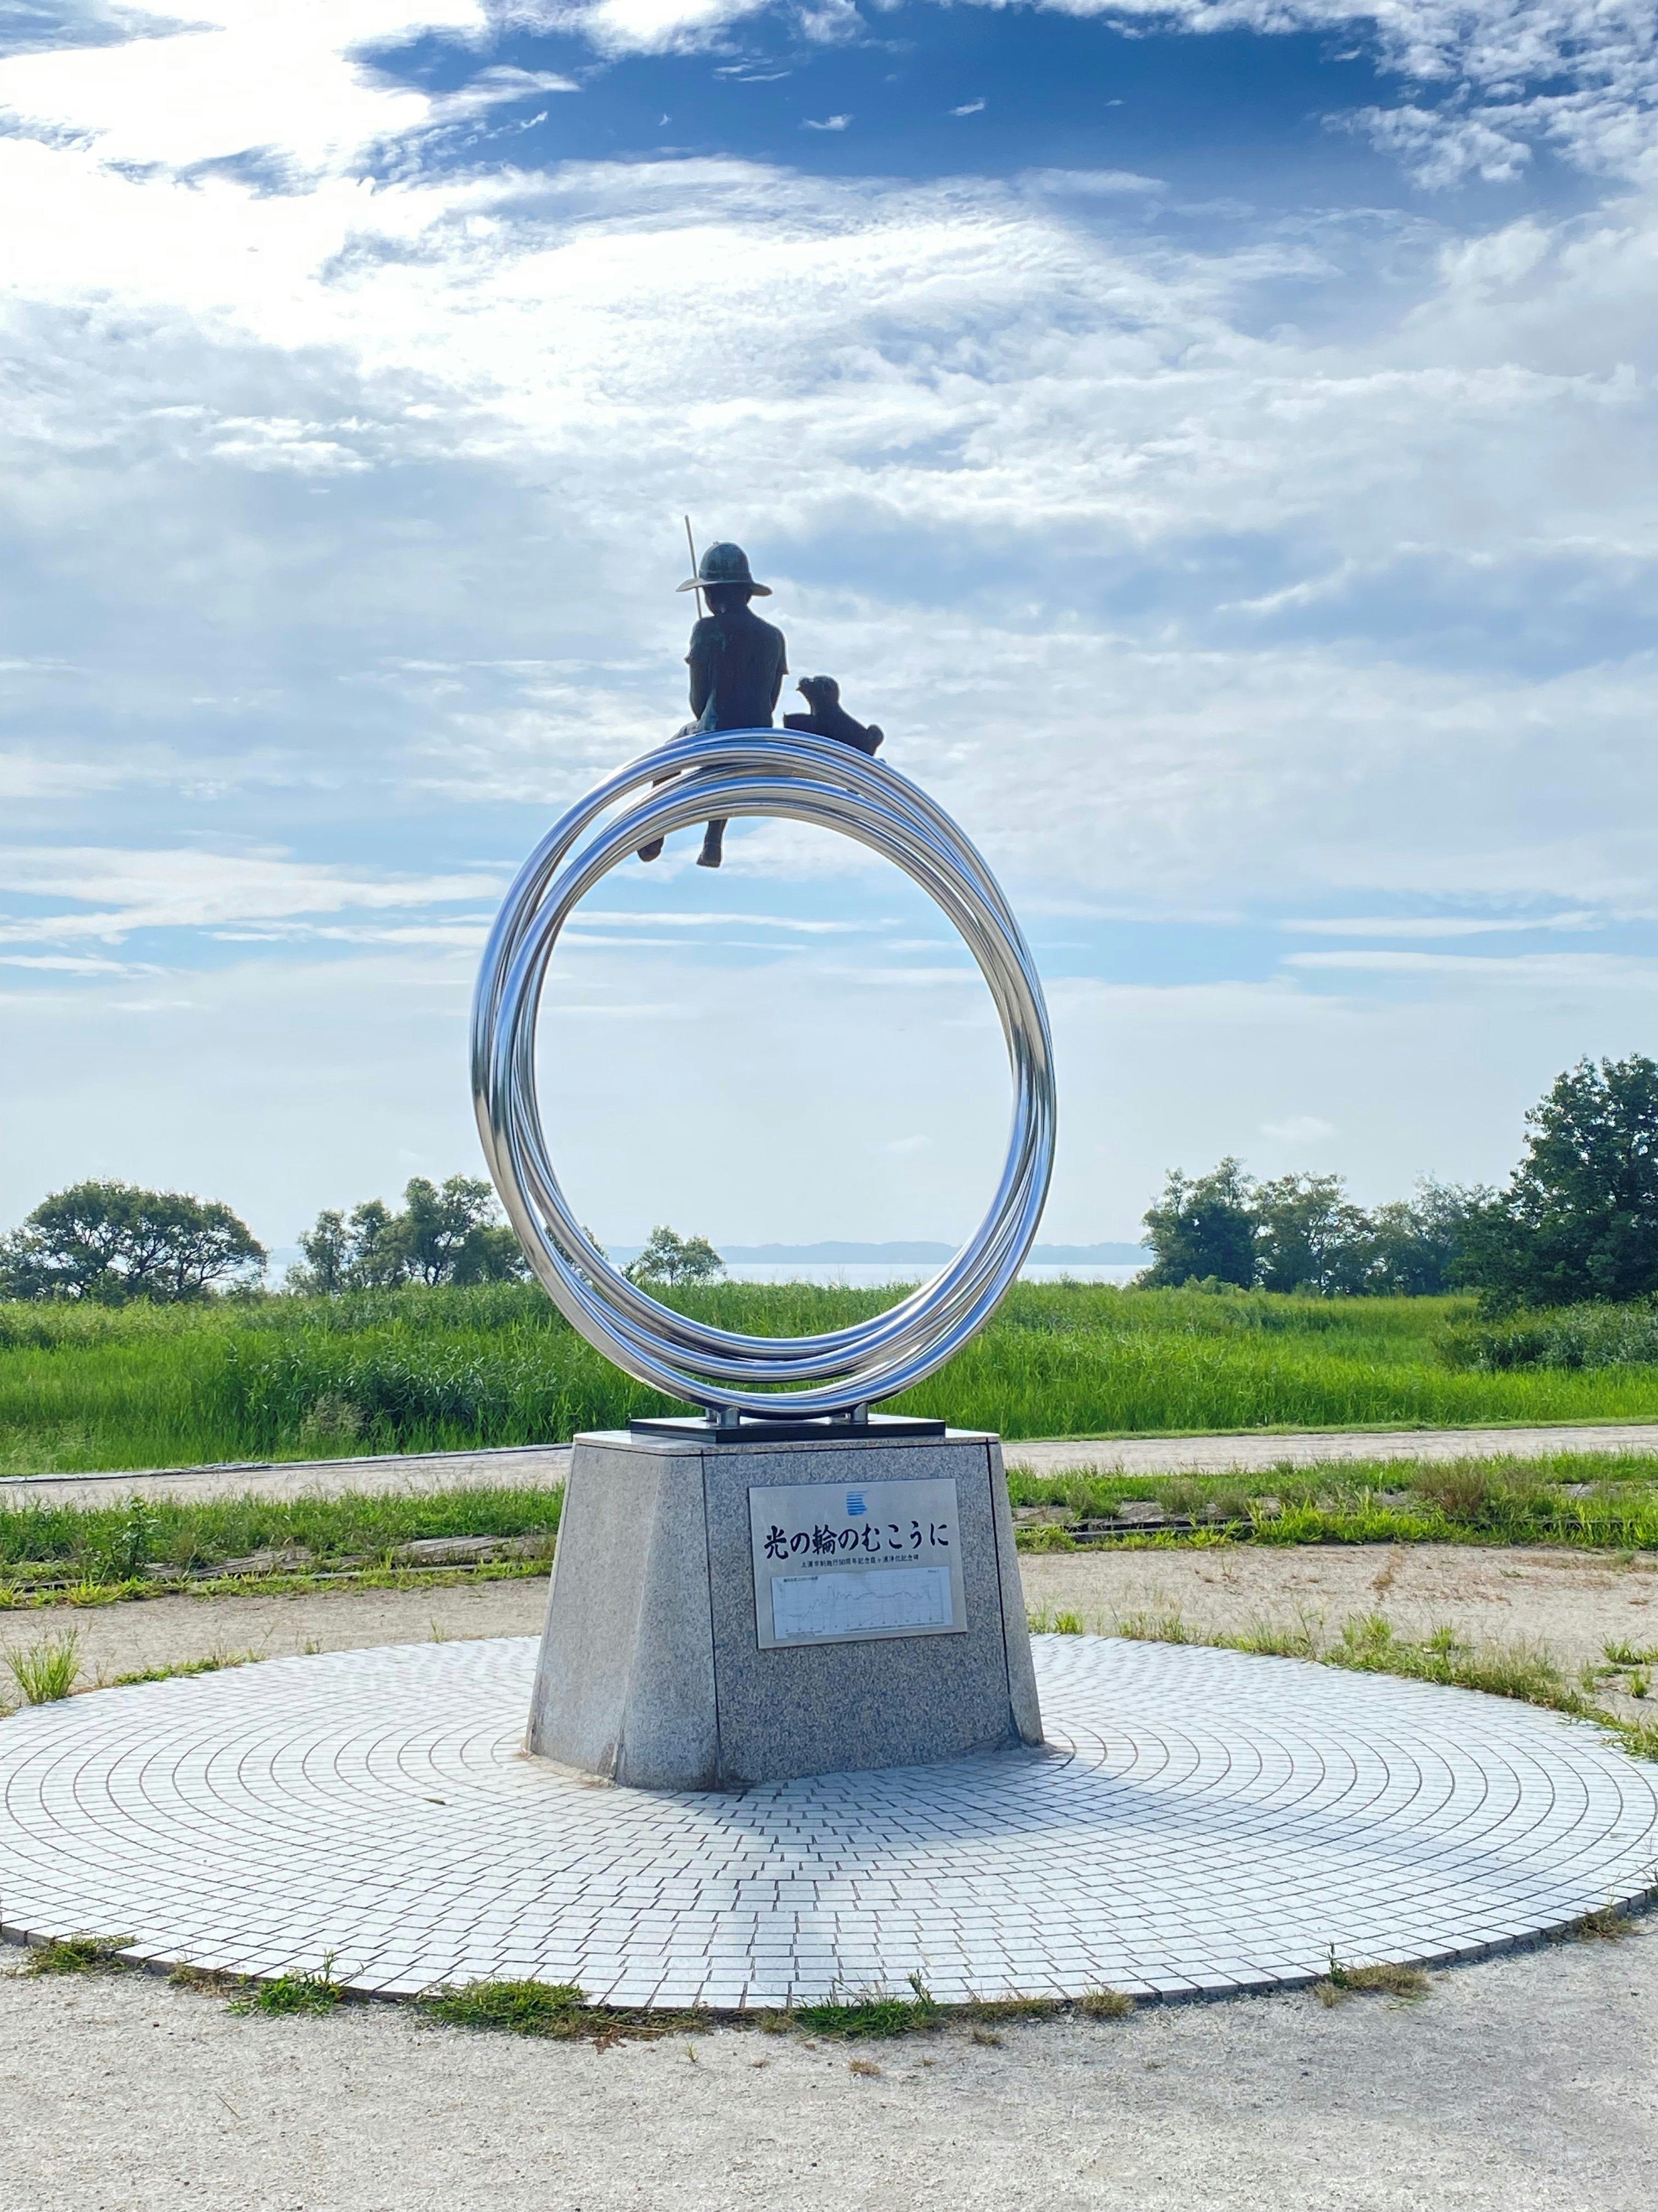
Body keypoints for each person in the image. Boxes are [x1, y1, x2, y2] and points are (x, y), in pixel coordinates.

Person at [638, 542, 787, 869]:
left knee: (668, 757)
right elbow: (773, 695)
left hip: (716, 726)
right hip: (759, 729)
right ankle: (712, 840)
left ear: (711, 594)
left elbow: (698, 700)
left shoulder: (706, 630)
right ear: (747, 592)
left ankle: (652, 831)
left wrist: (710, 719)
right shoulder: (773, 636)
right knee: (724, 772)